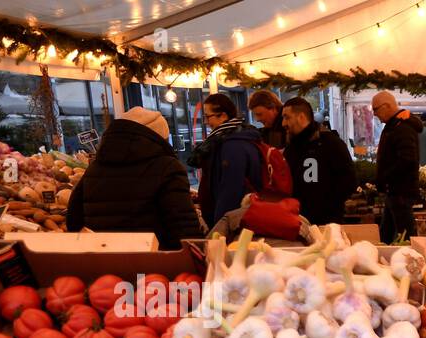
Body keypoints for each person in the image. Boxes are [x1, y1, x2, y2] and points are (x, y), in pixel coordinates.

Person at [66, 106, 203, 248]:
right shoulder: (168, 167)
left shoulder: (94, 169)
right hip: (151, 262)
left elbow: (73, 220)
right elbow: (183, 225)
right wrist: (195, 257)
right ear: (160, 138)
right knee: (141, 272)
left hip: (105, 261)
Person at [189, 92, 263, 227]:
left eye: (207, 117)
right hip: (232, 219)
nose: (205, 122)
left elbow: (230, 190)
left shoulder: (233, 145)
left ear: (223, 116)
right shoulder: (223, 141)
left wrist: (220, 226)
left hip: (233, 223)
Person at [281, 97, 357, 226]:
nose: (283, 123)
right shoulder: (291, 148)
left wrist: (329, 205)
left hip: (327, 222)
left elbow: (349, 181)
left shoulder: (331, 143)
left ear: (301, 117)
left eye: (287, 117)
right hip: (296, 220)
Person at [373, 91, 424, 242]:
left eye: (376, 109)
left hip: (400, 190)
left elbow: (408, 159)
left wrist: (385, 176)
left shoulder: (402, 128)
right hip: (395, 190)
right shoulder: (395, 125)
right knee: (388, 233)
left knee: (406, 235)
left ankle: (411, 261)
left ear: (387, 106)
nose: (375, 114)